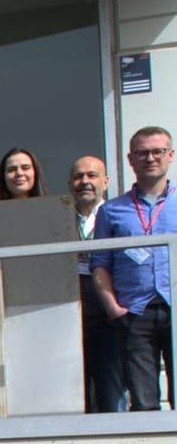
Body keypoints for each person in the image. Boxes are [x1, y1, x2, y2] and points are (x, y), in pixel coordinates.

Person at [91, 125, 175, 413]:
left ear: (170, 155)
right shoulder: (111, 210)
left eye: (158, 151)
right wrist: (113, 308)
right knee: (143, 402)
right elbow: (100, 264)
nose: (150, 158)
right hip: (135, 313)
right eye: (142, 153)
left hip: (175, 306)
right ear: (130, 159)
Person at [70, 155, 123, 414]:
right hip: (69, 317)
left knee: (110, 392)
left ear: (106, 181)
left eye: (92, 175)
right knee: (73, 397)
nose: (85, 181)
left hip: (106, 317)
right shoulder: (58, 218)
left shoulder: (117, 216)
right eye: (78, 177)